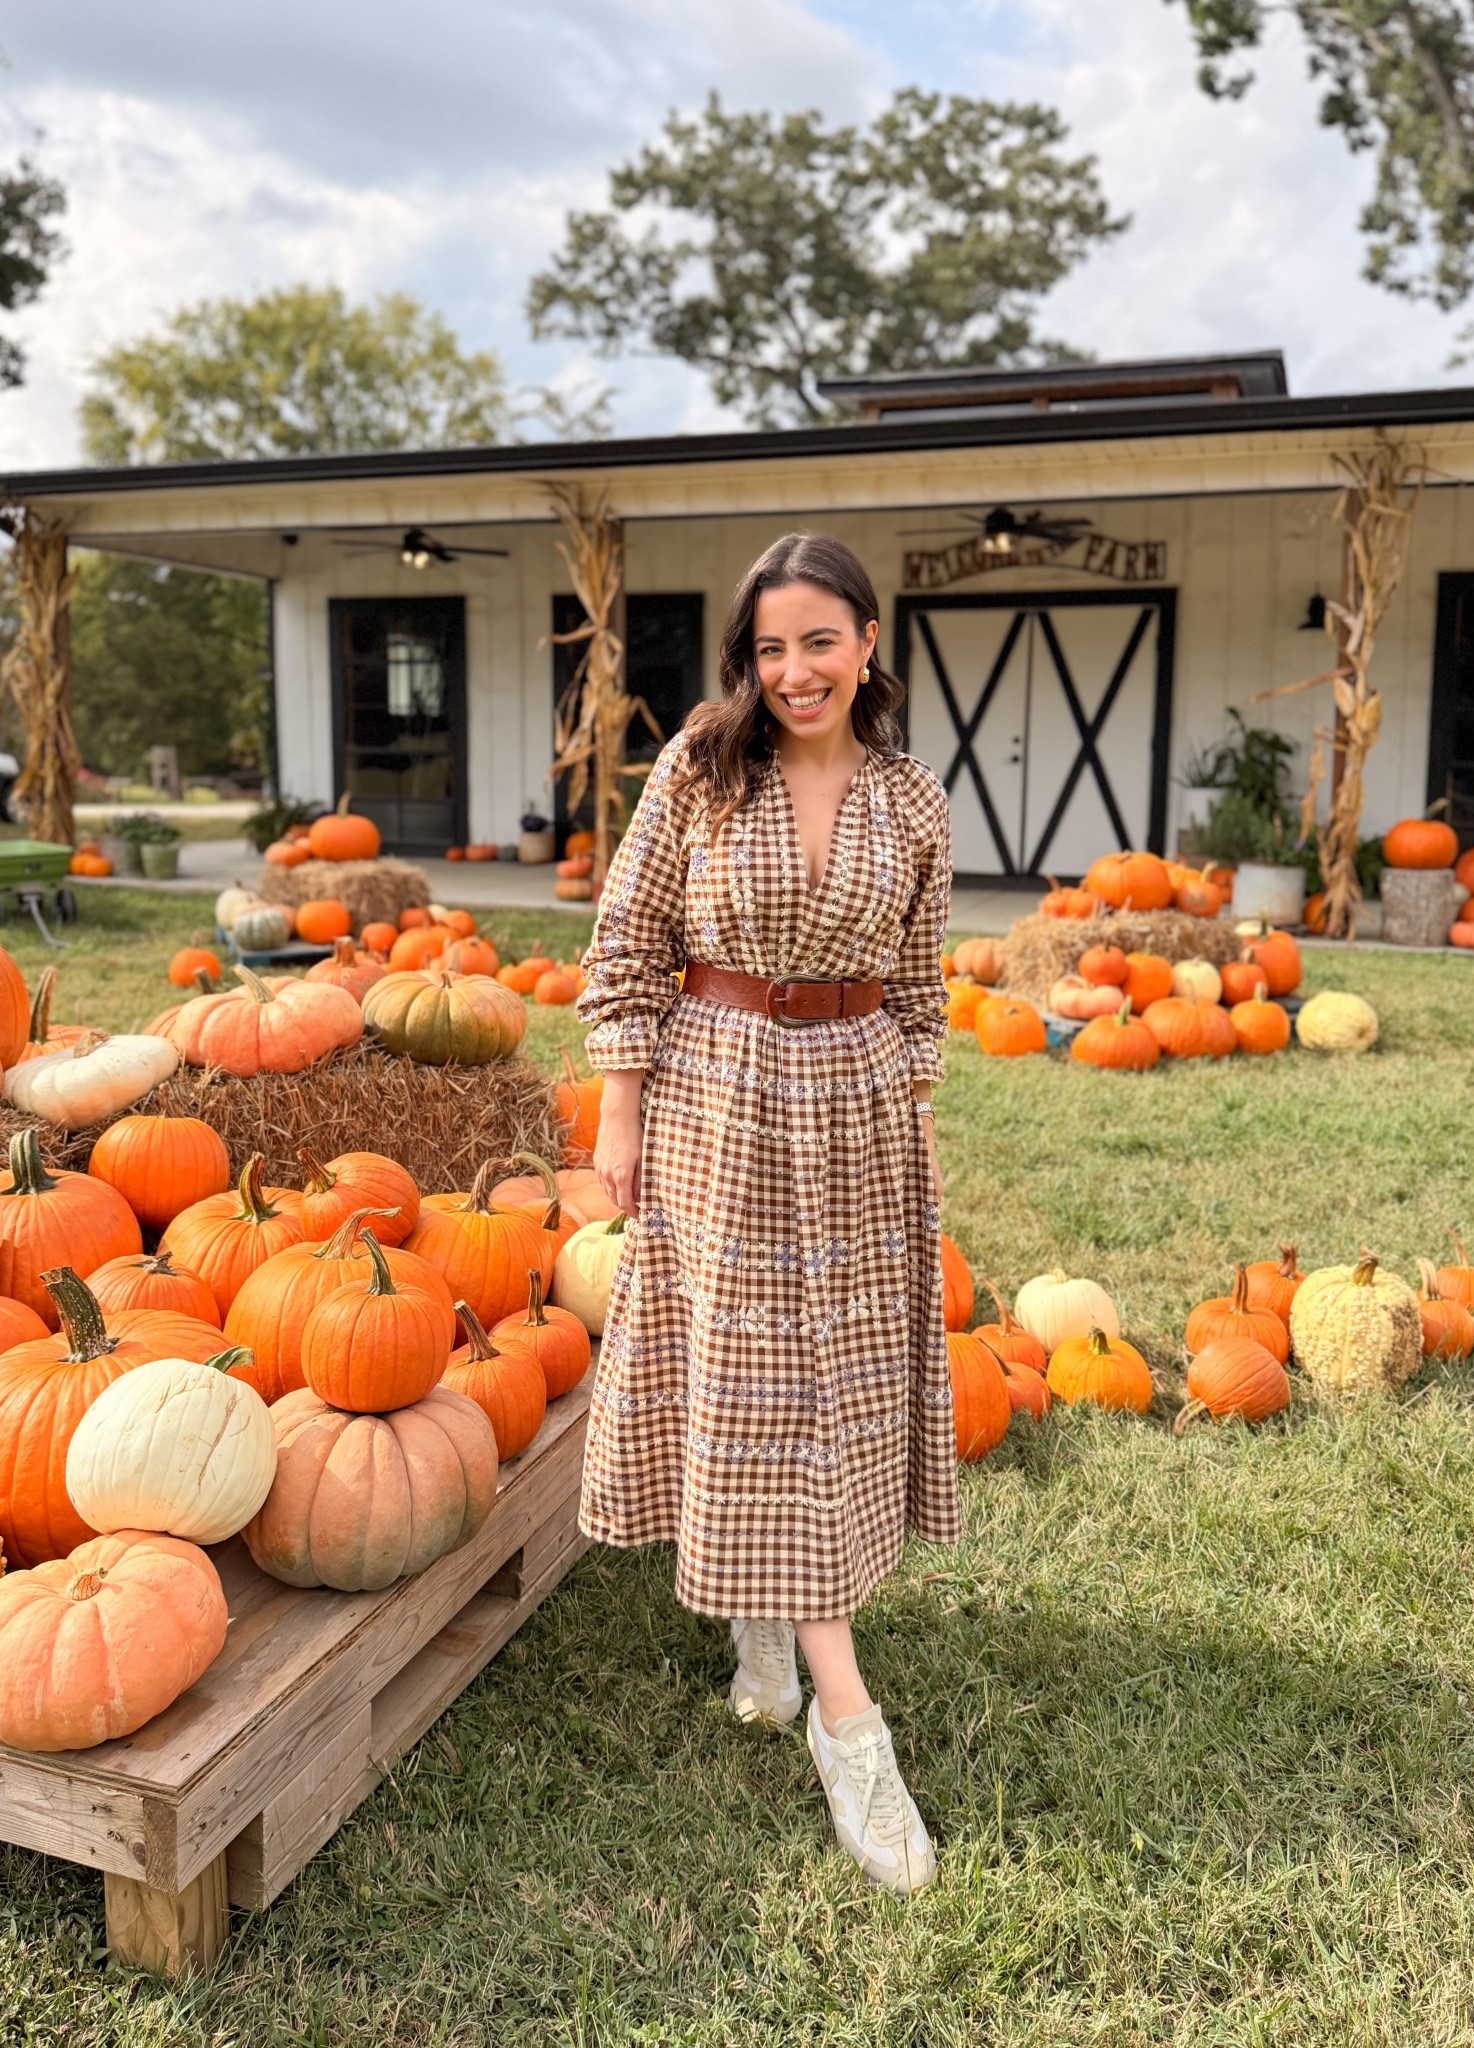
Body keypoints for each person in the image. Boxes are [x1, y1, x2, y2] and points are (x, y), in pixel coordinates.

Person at [574, 532, 959, 1896]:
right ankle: (850, 1728)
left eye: (819, 641)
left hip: (857, 1105)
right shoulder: (699, 769)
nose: (795, 670)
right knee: (755, 1378)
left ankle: (766, 1622)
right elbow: (629, 942)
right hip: (717, 1096)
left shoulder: (913, 800)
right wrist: (619, 1111)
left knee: (828, 1384)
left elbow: (923, 987)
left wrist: (913, 1116)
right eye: (770, 646)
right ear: (748, 657)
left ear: (868, 643)